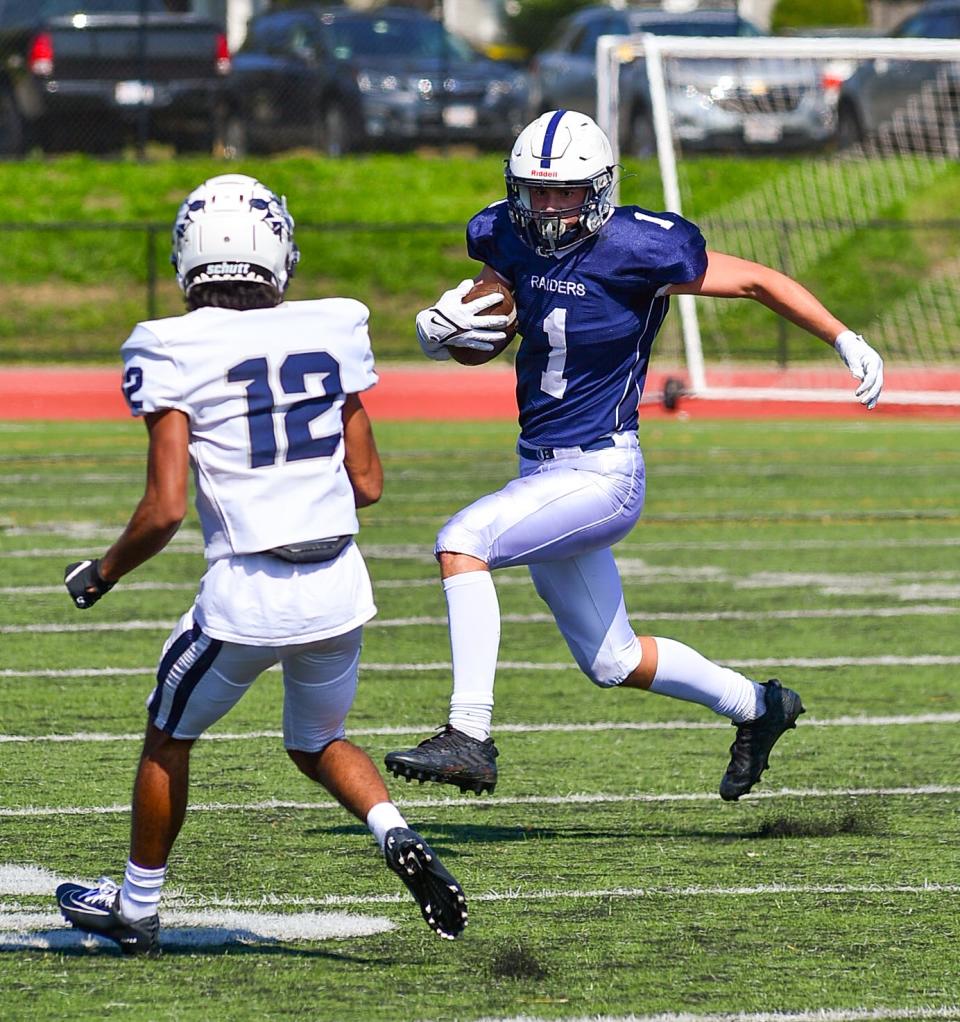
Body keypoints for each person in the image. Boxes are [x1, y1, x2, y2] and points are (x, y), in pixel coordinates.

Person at [385, 109, 884, 800]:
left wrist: (841, 336)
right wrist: (438, 335)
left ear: (599, 189)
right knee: (612, 660)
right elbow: (491, 328)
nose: (550, 206)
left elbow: (758, 281)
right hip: (541, 468)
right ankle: (759, 705)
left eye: (566, 192)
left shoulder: (640, 247)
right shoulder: (502, 232)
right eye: (536, 191)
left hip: (601, 470)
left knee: (462, 541)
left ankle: (468, 735)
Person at [55, 174, 467, 956]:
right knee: (317, 740)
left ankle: (137, 906)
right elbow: (370, 485)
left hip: (250, 590)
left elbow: (164, 509)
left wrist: (101, 574)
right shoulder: (335, 325)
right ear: (278, 251)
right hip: (340, 585)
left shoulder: (168, 344)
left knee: (166, 737)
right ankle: (394, 832)